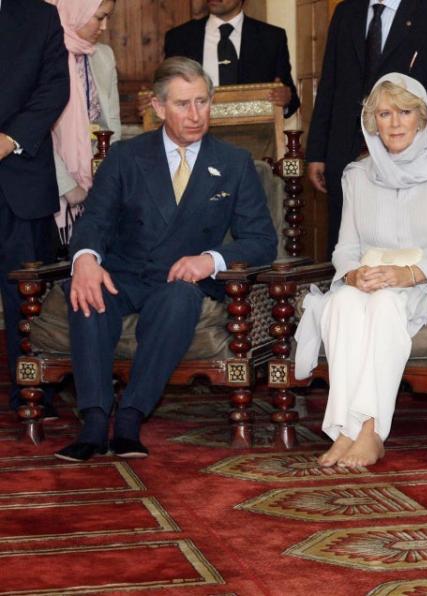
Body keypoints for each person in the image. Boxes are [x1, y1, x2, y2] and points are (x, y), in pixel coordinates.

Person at [55, 57, 277, 462]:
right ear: (157, 108)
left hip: (180, 282)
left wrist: (211, 259)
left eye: (202, 102)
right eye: (182, 104)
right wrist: (85, 259)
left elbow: (262, 240)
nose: (195, 115)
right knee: (85, 291)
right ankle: (93, 418)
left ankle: (130, 418)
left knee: (180, 299)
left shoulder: (233, 163)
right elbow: (95, 223)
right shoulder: (125, 156)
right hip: (123, 274)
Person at [294, 72, 427, 469]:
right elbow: (345, 248)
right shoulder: (357, 175)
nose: (395, 122)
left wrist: (409, 274)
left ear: (422, 118)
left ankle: (370, 432)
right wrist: (351, 275)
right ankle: (346, 427)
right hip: (373, 277)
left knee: (384, 307)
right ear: (371, 122)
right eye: (384, 113)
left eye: (404, 111)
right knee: (342, 304)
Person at [305, 0, 427, 258]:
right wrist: (317, 151)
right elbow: (329, 84)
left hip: (412, 160)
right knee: (345, 244)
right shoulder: (346, 12)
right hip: (346, 152)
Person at [0, 0, 69, 415]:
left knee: (26, 297)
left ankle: (32, 393)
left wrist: (9, 140)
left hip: (20, 178)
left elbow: (54, 87)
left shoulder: (40, 15)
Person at [48, 0, 121, 255]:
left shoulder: (103, 55)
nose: (104, 26)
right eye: (99, 17)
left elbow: (112, 122)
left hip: (98, 175)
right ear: (75, 9)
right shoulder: (43, 53)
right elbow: (37, 131)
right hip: (51, 183)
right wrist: (67, 186)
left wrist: (111, 176)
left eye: (108, 18)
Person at [163, 0, 299, 118]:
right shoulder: (179, 38)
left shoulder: (271, 38)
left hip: (253, 141)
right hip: (194, 140)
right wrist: (147, 103)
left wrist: (285, 99)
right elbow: (166, 93)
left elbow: (291, 99)